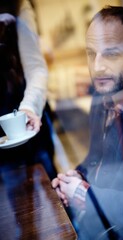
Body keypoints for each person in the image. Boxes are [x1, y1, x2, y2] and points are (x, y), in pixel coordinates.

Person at [51, 6, 123, 240]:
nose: (97, 66)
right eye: (91, 53)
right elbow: (97, 158)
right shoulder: (102, 100)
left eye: (111, 54)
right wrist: (75, 177)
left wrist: (85, 196)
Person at [0, 0, 57, 179]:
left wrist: (28, 107)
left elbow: (36, 68)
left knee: (47, 191)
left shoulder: (18, 6)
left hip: (26, 117)